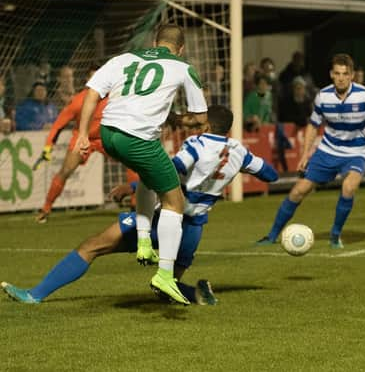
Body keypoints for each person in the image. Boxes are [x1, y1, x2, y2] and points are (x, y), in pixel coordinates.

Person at [1, 105, 279, 304]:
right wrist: (236, 167)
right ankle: (195, 294)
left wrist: (132, 187)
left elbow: (168, 171)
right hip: (194, 230)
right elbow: (271, 175)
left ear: (206, 127)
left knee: (92, 246)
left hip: (167, 220)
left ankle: (34, 295)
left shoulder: (196, 143)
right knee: (164, 288)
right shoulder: (240, 151)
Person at [76, 24, 208, 305]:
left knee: (150, 178)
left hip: (108, 134)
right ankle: (164, 274)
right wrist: (177, 118)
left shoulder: (123, 58)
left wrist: (83, 135)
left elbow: (91, 93)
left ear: (154, 41)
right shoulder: (183, 67)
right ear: (181, 48)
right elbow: (200, 118)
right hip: (137, 140)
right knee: (175, 203)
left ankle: (144, 241)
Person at [256, 53, 365, 249]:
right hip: (328, 150)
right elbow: (313, 125)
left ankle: (335, 235)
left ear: (352, 75)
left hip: (356, 151)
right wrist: (304, 155)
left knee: (349, 187)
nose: (341, 77)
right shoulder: (322, 96)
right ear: (331, 75)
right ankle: (271, 236)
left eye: (345, 73)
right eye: (337, 73)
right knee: (297, 191)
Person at [34, 65, 138, 223]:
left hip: (105, 138)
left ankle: (135, 206)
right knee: (66, 170)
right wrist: (48, 147)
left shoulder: (115, 97)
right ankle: (45, 209)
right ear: (88, 80)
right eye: (94, 78)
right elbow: (58, 125)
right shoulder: (78, 101)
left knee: (134, 162)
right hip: (82, 139)